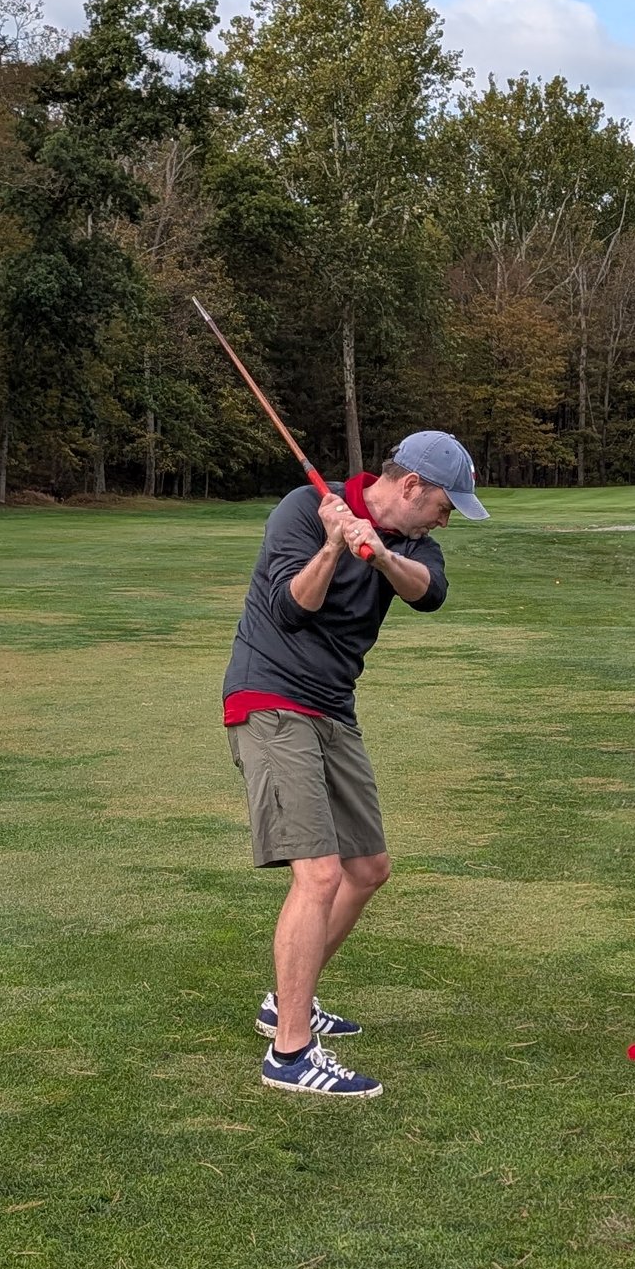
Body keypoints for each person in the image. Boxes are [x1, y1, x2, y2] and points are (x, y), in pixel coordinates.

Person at [221, 428, 486, 1098]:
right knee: (319, 872)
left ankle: (287, 1003)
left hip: (333, 707)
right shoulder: (302, 510)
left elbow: (431, 594)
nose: (446, 517)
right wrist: (337, 544)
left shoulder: (414, 544)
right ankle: (289, 1054)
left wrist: (377, 555)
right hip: (270, 695)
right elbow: (290, 607)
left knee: (367, 869)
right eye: (444, 504)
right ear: (410, 487)